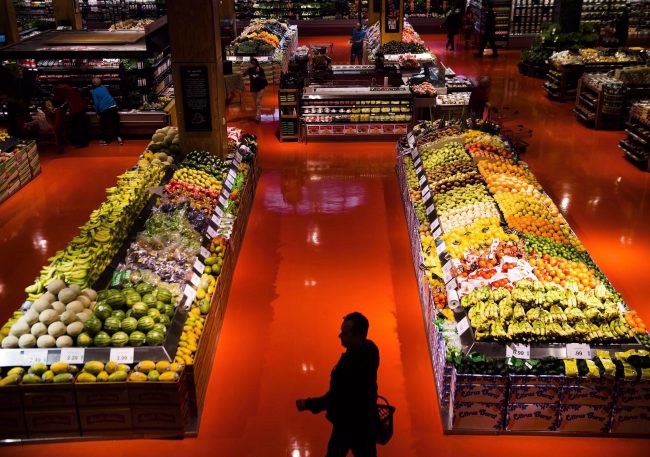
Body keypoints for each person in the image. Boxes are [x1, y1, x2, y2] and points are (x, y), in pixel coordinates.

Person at [297, 312, 380, 457]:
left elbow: (336, 397)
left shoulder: (351, 366)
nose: (339, 335)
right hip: (366, 421)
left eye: (344, 333)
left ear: (357, 336)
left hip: (348, 423)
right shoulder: (370, 349)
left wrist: (308, 404)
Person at [53, 83, 89, 148]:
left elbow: (59, 99)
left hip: (77, 109)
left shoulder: (61, 90)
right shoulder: (67, 88)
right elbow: (67, 100)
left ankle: (81, 142)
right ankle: (80, 142)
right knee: (79, 126)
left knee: (78, 126)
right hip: (80, 107)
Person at [91, 78, 123, 145]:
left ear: (93, 84)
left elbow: (96, 104)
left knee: (104, 125)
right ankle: (119, 138)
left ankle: (105, 140)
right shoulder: (104, 87)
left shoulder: (94, 92)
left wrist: (97, 113)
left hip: (105, 109)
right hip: (113, 106)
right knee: (115, 124)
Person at [247, 58, 268, 124]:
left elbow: (264, 78)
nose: (253, 65)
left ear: (256, 63)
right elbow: (243, 75)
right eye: (252, 63)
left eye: (254, 63)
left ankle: (257, 117)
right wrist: (247, 69)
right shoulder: (249, 70)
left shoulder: (260, 69)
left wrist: (258, 77)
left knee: (258, 101)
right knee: (255, 103)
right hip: (253, 88)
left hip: (261, 87)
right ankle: (258, 114)